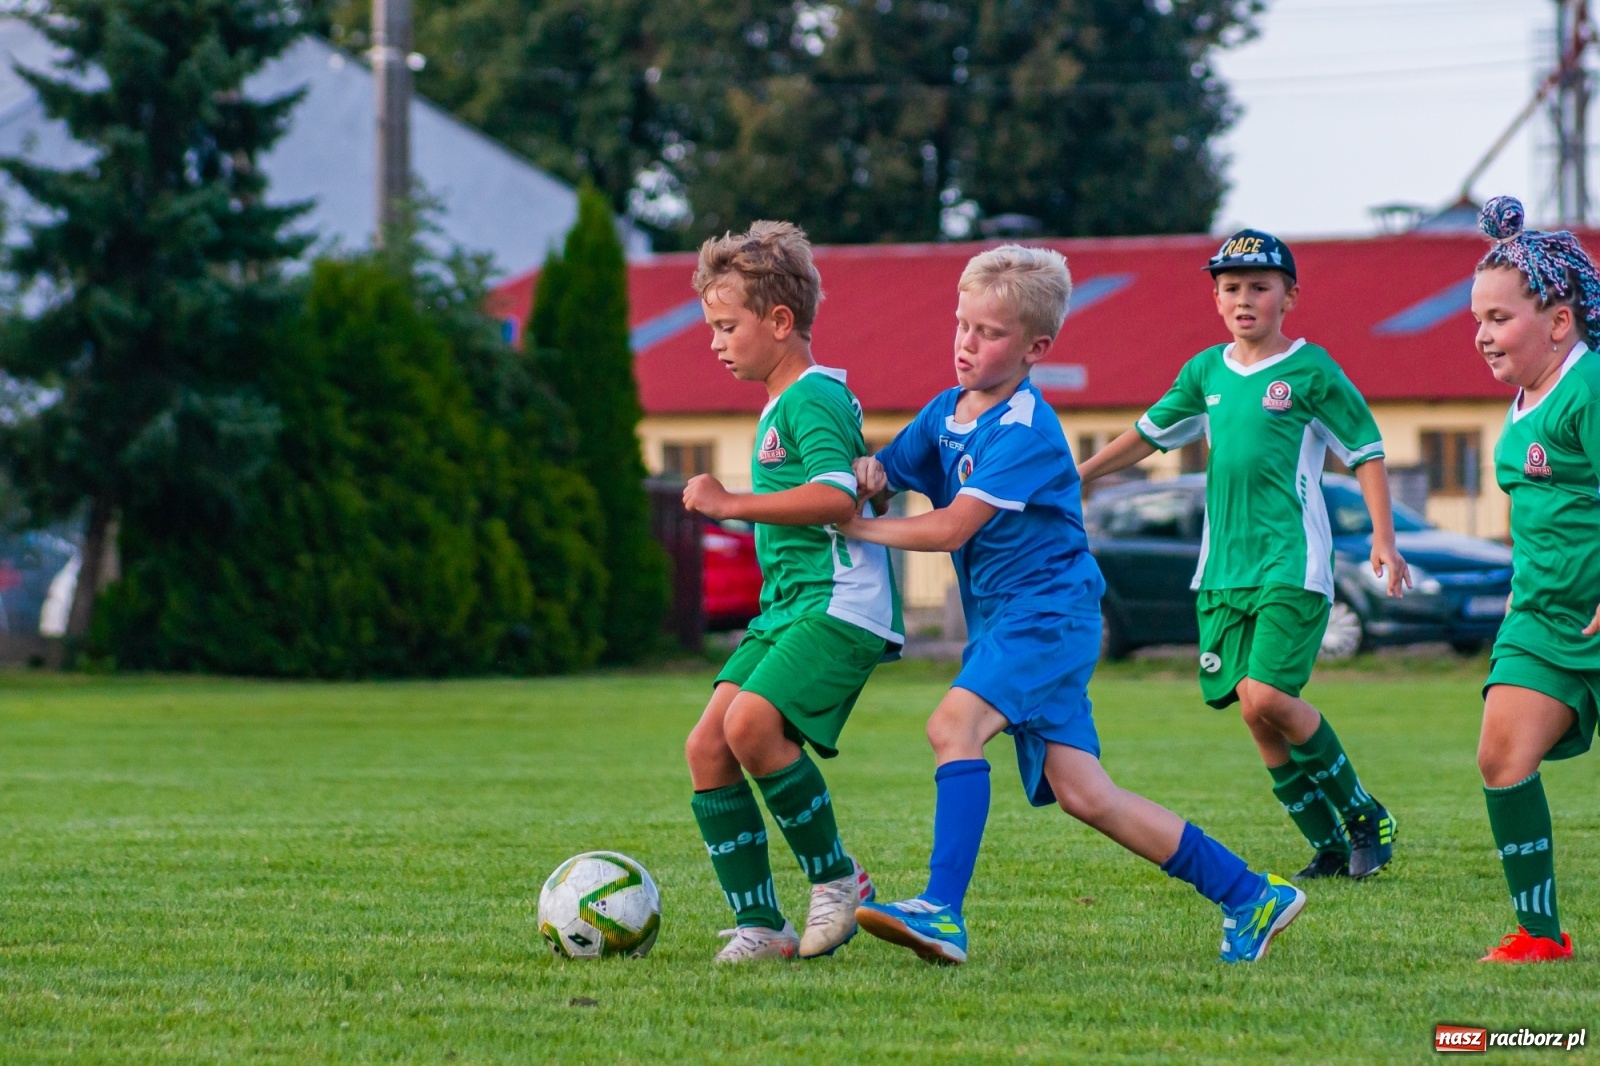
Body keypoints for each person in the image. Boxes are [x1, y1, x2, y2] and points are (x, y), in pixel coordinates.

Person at [841, 244, 1303, 966]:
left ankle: (940, 911)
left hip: (1047, 615)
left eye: (989, 334)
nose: (967, 343)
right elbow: (889, 469)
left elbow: (953, 526)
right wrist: (867, 472)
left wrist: (853, 524)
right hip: (1017, 620)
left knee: (951, 725)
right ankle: (1251, 894)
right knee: (1088, 794)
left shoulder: (1026, 429)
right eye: (962, 325)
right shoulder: (945, 412)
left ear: (1036, 348)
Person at [1078, 229, 1408, 881]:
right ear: (1217, 299)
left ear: (1289, 295)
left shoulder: (1312, 371)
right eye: (1231, 288)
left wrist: (1383, 537)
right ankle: (1331, 844)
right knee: (1252, 712)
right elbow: (1146, 434)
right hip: (1221, 571)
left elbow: (1365, 451)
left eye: (1260, 286)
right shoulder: (1205, 372)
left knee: (1268, 698)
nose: (1244, 298)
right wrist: (1077, 474)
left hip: (1292, 563)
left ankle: (1366, 814)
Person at [681, 221, 903, 963]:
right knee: (708, 746)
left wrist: (731, 502)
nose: (714, 342)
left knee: (749, 727)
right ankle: (761, 926)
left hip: (838, 605)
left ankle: (839, 881)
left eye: (725, 325)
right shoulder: (783, 402)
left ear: (779, 322)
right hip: (787, 609)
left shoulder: (811, 398)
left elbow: (837, 498)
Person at [1469, 195, 1600, 963]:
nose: (1483, 335)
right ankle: (1540, 936)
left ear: (1558, 322)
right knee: (1500, 757)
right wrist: (1526, 583)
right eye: (1478, 320)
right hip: (1545, 622)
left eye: (1499, 318)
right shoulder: (1524, 403)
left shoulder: (1589, 389)